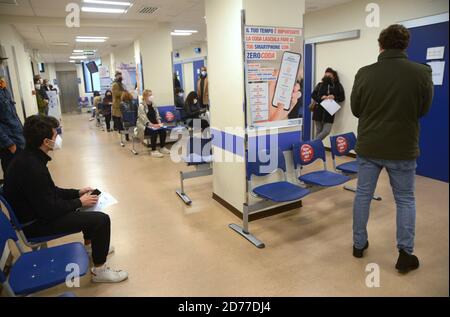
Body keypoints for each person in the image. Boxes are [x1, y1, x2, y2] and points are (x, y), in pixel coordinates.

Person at [3, 115, 128, 283]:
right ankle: (100, 270)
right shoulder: (32, 167)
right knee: (101, 220)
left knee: (88, 205)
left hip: (35, 214)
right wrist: (79, 202)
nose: (58, 138)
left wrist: (78, 193)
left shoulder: (29, 158)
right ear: (46, 141)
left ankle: (91, 248)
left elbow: (50, 191)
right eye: (56, 135)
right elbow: (49, 209)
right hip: (35, 225)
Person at [351, 24, 434, 274]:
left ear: (380, 45)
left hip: (369, 146)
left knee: (362, 195)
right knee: (405, 199)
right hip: (402, 148)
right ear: (405, 45)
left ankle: (358, 245)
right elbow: (423, 110)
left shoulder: (364, 73)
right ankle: (405, 254)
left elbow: (356, 109)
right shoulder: (422, 72)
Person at [311, 68, 345, 140]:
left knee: (326, 131)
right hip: (318, 111)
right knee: (318, 131)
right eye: (325, 75)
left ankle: (312, 145)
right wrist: (321, 98)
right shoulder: (320, 85)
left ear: (334, 76)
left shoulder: (338, 86)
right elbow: (313, 95)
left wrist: (334, 97)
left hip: (329, 112)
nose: (327, 77)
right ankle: (316, 149)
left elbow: (342, 98)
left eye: (329, 75)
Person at [0, 76, 25, 176]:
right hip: (9, 146)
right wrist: (10, 145)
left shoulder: (4, 89)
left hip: (19, 140)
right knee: (14, 180)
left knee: (23, 177)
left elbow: (13, 116)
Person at [136, 90, 170, 158]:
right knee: (153, 132)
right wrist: (152, 125)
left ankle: (162, 147)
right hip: (144, 126)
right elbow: (143, 119)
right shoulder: (141, 106)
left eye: (152, 95)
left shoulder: (153, 105)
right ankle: (153, 151)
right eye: (149, 95)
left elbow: (157, 115)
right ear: (145, 97)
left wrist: (159, 123)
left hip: (154, 124)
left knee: (163, 130)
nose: (152, 96)